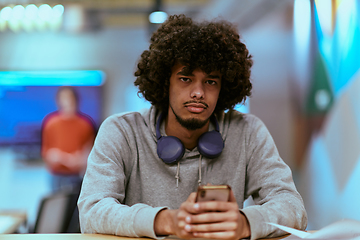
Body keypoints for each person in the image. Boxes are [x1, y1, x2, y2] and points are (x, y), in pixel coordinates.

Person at [78, 14, 307, 240]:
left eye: (210, 81)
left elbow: (292, 206)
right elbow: (92, 210)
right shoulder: (121, 131)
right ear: (165, 81)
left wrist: (245, 223)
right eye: (185, 79)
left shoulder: (248, 131)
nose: (198, 92)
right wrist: (167, 221)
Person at [41, 86, 96, 192]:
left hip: (77, 176)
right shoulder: (50, 123)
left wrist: (79, 160)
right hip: (56, 175)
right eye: (63, 98)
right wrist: (58, 157)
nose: (67, 101)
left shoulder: (85, 124)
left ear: (76, 100)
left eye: (69, 98)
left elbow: (89, 153)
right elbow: (46, 152)